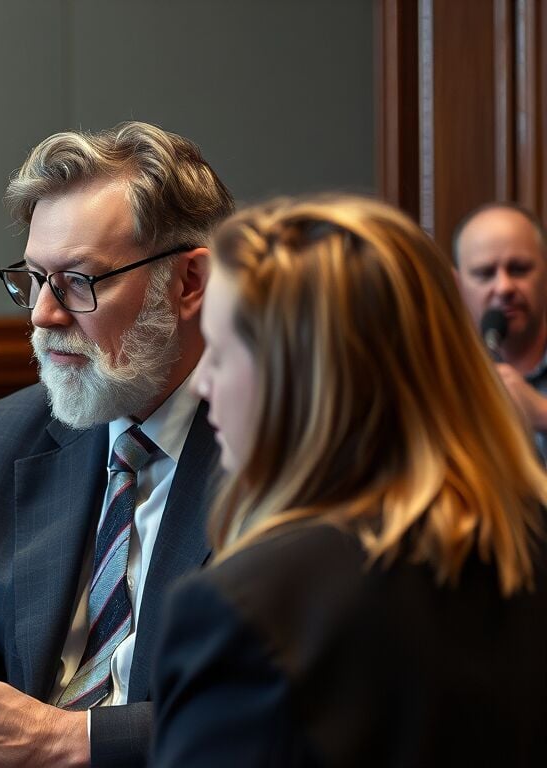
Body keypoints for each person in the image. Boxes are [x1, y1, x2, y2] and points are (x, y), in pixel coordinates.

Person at [0, 122, 234, 767]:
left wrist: (62, 739)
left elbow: (292, 708)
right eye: (34, 279)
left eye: (79, 280)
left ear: (189, 283)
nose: (43, 313)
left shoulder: (287, 451)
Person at [152, 195, 547, 766]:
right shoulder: (527, 542)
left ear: (297, 378)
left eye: (219, 350)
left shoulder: (246, 610)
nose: (200, 383)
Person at [454, 202, 547, 457]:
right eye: (485, 273)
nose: (504, 287)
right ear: (458, 285)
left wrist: (541, 413)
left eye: (519, 269)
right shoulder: (442, 371)